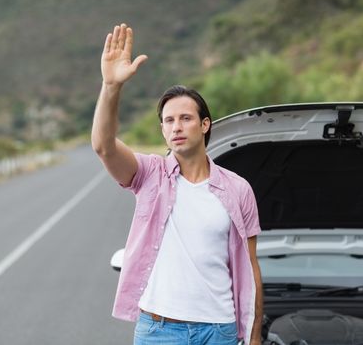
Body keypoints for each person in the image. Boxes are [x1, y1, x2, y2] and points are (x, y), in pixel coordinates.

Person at [91, 23, 263, 345]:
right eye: (169, 121)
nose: (177, 126)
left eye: (185, 118)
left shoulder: (239, 189)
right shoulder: (149, 175)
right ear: (162, 130)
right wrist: (111, 86)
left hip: (219, 329)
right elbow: (104, 146)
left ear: (204, 124)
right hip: (159, 330)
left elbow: (251, 269)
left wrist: (254, 336)